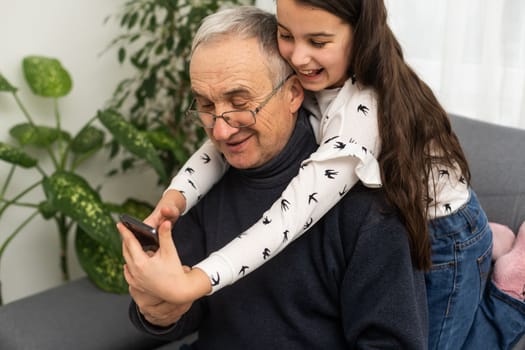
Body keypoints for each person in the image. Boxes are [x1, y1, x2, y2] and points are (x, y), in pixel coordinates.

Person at [131, 1, 525, 348]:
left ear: (291, 94)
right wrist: (174, 205)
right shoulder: (288, 99)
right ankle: (490, 240)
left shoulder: (356, 167)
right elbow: (177, 315)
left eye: (239, 103)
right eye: (287, 35)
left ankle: (510, 296)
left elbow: (284, 220)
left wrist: (195, 280)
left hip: (446, 229)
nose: (220, 130)